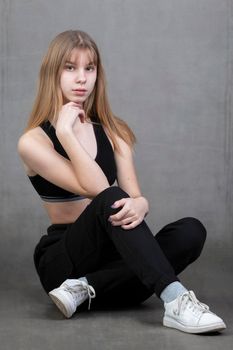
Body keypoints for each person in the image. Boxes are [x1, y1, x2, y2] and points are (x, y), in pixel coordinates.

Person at [18, 30, 226, 334]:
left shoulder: (115, 132)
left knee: (191, 231)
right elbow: (99, 190)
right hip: (64, 260)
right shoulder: (33, 141)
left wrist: (142, 203)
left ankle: (86, 289)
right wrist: (65, 132)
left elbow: (134, 199)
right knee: (110, 197)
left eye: (90, 68)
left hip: (115, 258)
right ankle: (175, 300)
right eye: (70, 67)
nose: (81, 78)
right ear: (53, 72)